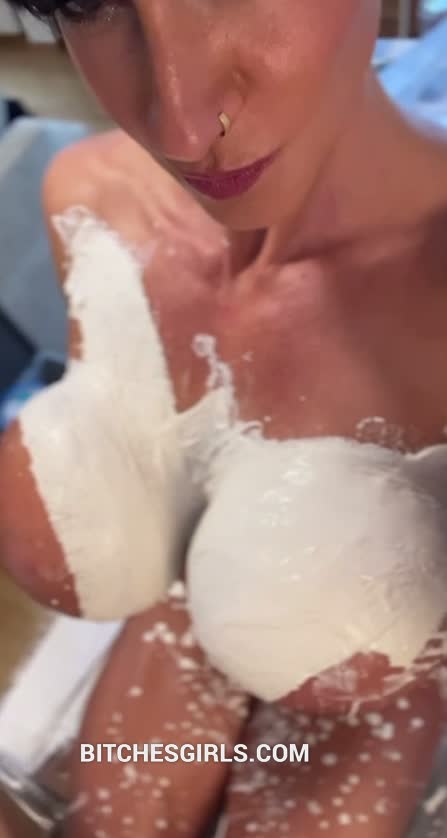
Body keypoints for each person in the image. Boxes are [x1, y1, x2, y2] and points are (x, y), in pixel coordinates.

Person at [1, 0, 447, 834]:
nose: (179, 121)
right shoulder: (93, 210)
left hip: (369, 686)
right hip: (191, 595)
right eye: (87, 2)